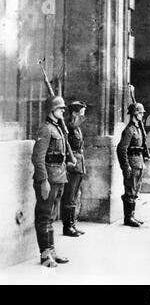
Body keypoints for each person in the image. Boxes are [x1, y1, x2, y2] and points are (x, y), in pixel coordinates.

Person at [31, 95, 70, 267]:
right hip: (48, 179)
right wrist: (44, 180)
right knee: (44, 216)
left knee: (52, 216)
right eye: (60, 108)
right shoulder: (46, 129)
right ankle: (45, 255)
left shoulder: (57, 128)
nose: (63, 110)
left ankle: (51, 250)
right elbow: (38, 158)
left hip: (58, 177)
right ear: (52, 109)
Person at [116, 102, 150, 227]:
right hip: (132, 163)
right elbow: (121, 149)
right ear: (135, 113)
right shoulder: (129, 130)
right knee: (130, 191)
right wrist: (126, 167)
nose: (142, 115)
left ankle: (132, 215)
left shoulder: (138, 128)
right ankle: (128, 218)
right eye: (140, 113)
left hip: (139, 162)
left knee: (135, 191)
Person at [60, 101, 87, 237]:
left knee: (75, 196)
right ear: (74, 113)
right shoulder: (68, 128)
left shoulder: (76, 127)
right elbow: (65, 148)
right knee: (69, 197)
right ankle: (67, 227)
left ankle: (72, 224)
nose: (83, 116)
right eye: (81, 113)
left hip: (79, 164)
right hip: (72, 165)